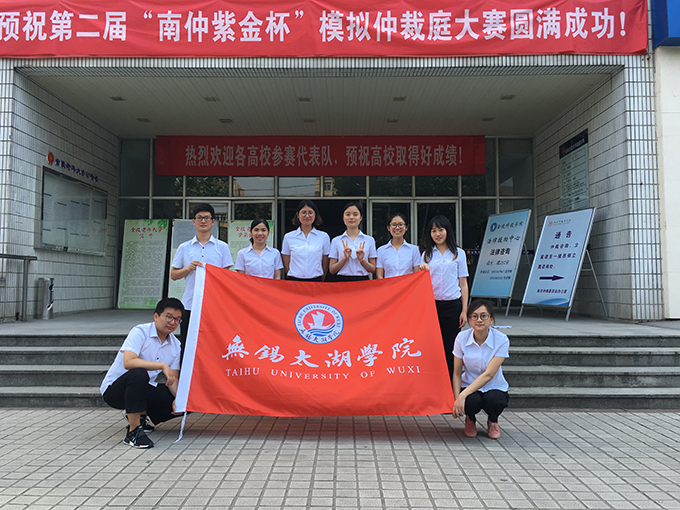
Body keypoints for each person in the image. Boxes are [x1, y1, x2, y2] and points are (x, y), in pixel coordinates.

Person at [100, 298, 184, 449]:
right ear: (156, 316)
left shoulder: (175, 345)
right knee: (139, 373)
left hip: (143, 389)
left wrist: (179, 400)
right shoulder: (140, 332)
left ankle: (141, 417)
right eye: (169, 317)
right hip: (116, 391)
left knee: (188, 399)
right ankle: (133, 432)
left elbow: (173, 378)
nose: (173, 322)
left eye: (177, 319)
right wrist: (162, 365)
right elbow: (128, 362)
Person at [170, 203, 233, 357]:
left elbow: (227, 277)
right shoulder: (184, 247)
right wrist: (188, 268)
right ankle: (187, 372)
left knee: (215, 343)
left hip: (215, 304)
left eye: (206, 218)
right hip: (190, 303)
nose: (203, 221)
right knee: (188, 343)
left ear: (213, 222)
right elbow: (173, 275)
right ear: (193, 221)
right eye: (199, 218)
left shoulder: (222, 247)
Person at [419, 215, 469, 381]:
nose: (437, 234)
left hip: (452, 306)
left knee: (451, 348)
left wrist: (464, 310)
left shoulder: (458, 254)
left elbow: (463, 284)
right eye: (433, 230)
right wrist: (421, 270)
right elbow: (420, 282)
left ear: (448, 231)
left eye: (441, 229)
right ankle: (434, 383)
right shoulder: (426, 255)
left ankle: (450, 384)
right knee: (432, 346)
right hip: (431, 306)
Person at [452, 299, 509, 439]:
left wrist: (463, 395)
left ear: (491, 320)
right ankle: (470, 420)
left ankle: (493, 421)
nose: (479, 320)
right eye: (474, 316)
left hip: (494, 386)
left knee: (495, 400)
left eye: (484, 316)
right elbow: (457, 373)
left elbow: (489, 375)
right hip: (469, 384)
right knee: (471, 401)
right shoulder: (461, 338)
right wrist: (457, 398)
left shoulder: (501, 340)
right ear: (469, 319)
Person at [281, 200, 330, 281]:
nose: (307, 216)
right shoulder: (288, 237)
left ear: (315, 215)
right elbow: (286, 264)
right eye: (303, 212)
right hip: (295, 280)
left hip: (315, 280)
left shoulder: (324, 237)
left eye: (310, 212)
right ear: (298, 215)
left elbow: (325, 264)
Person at [329, 201, 377, 281]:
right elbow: (332, 270)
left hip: (363, 281)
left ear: (360, 217)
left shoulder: (369, 240)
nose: (351, 217)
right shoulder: (336, 241)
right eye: (348, 214)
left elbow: (373, 269)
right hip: (342, 281)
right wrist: (345, 258)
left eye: (355, 214)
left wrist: (362, 260)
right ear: (343, 217)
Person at [375, 213, 421, 279]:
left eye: (400, 224)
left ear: (406, 227)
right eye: (394, 225)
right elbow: (379, 276)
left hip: (408, 285)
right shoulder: (381, 251)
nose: (397, 228)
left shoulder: (414, 250)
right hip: (389, 285)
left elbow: (416, 274)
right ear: (388, 228)